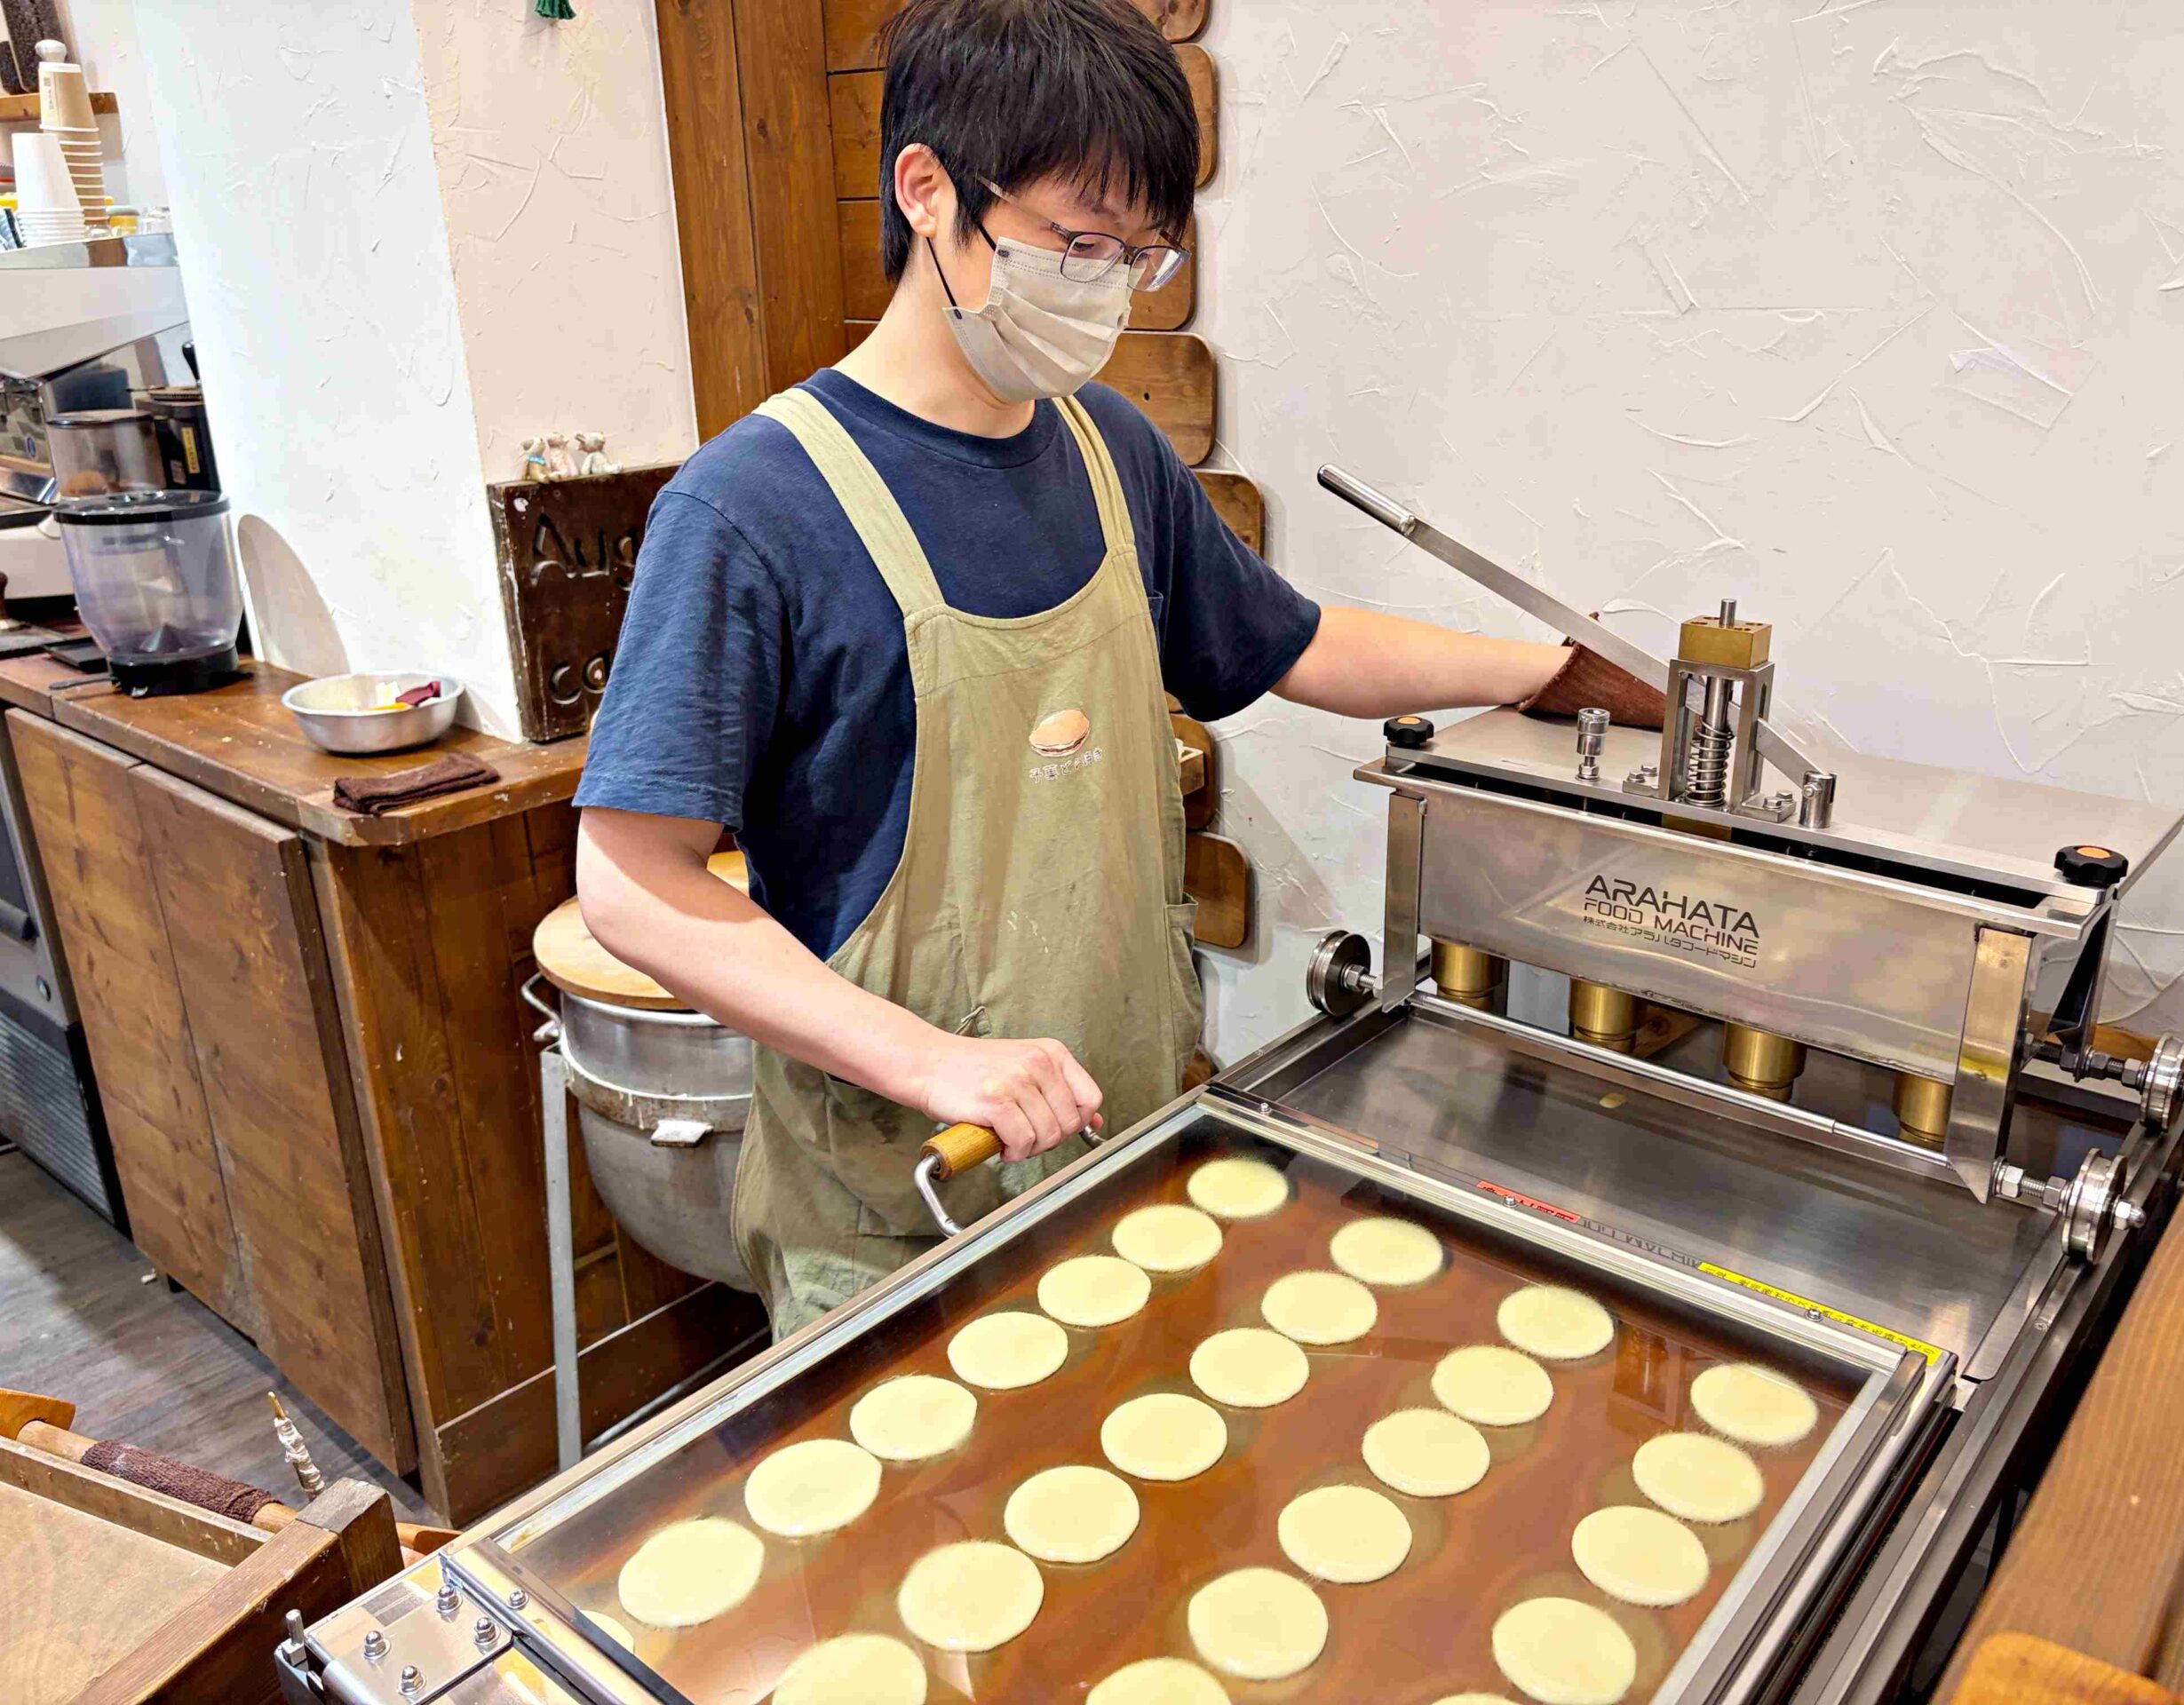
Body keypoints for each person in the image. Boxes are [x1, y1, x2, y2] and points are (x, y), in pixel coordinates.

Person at [575, 0, 1584, 1336]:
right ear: (926, 190)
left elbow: (1297, 643)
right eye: (1075, 240)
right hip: (902, 1211)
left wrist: (1549, 673)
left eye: (1136, 254)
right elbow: (630, 884)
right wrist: (932, 1061)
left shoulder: (1106, 449)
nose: (1106, 285)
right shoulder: (752, 508)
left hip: (1122, 1150)